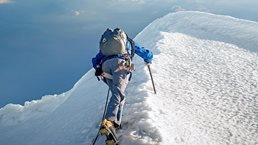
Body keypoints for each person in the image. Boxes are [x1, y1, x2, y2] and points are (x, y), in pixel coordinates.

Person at [92, 28, 153, 135]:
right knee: (118, 93)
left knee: (119, 95)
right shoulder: (128, 42)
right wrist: (148, 58)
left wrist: (98, 68)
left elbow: (95, 59)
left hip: (105, 69)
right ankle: (109, 120)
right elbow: (143, 52)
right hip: (121, 65)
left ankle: (115, 124)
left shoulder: (106, 46)